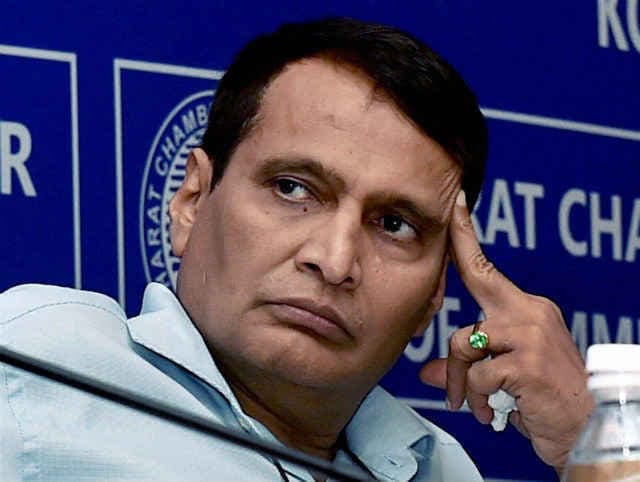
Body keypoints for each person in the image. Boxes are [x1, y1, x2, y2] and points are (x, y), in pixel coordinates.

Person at [0, 17, 591, 481]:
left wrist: (589, 445)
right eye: (292, 189)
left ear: (435, 293)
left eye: (394, 224)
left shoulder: (439, 468)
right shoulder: (34, 373)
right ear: (192, 200)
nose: (334, 262)